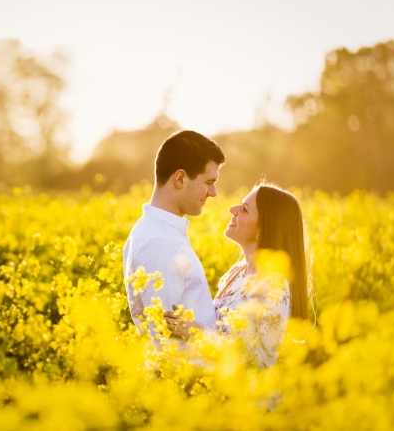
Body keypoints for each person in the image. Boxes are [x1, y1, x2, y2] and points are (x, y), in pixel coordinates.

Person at [165, 182, 311, 368]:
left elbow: (256, 361)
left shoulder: (274, 285)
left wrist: (195, 333)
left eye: (245, 210)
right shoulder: (236, 273)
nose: (233, 209)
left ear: (264, 229)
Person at [123, 130, 225, 341]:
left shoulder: (163, 232)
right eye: (208, 182)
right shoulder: (160, 242)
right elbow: (168, 343)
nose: (214, 192)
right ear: (180, 178)